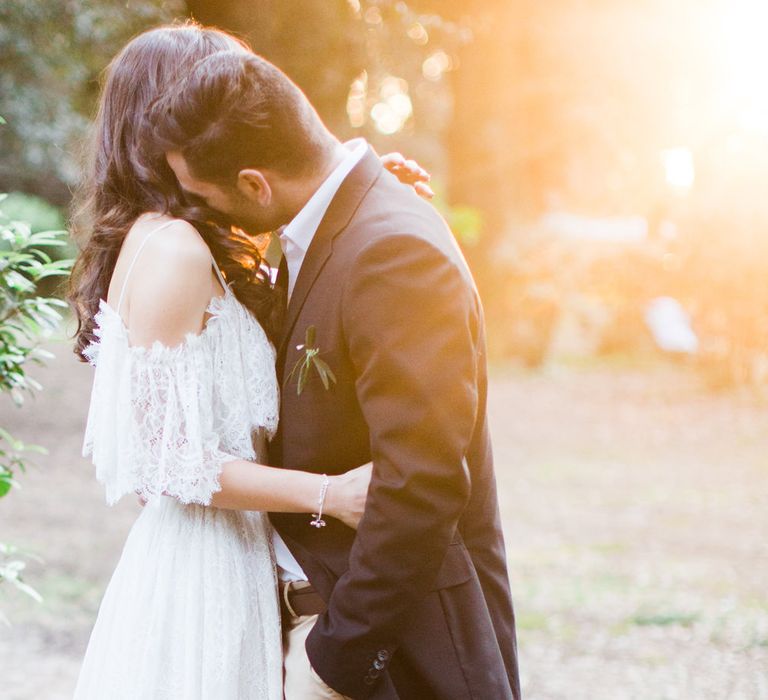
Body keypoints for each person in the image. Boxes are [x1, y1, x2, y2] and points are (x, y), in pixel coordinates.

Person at [68, 23, 432, 699]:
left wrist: (357, 205)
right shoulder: (173, 250)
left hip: (230, 555)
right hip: (203, 570)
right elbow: (168, 460)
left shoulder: (182, 242)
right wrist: (330, 495)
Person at [147, 48, 521, 700]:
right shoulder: (326, 228)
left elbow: (419, 484)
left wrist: (335, 661)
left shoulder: (390, 250)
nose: (205, 214)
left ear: (256, 183)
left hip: (397, 653)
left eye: (204, 196)